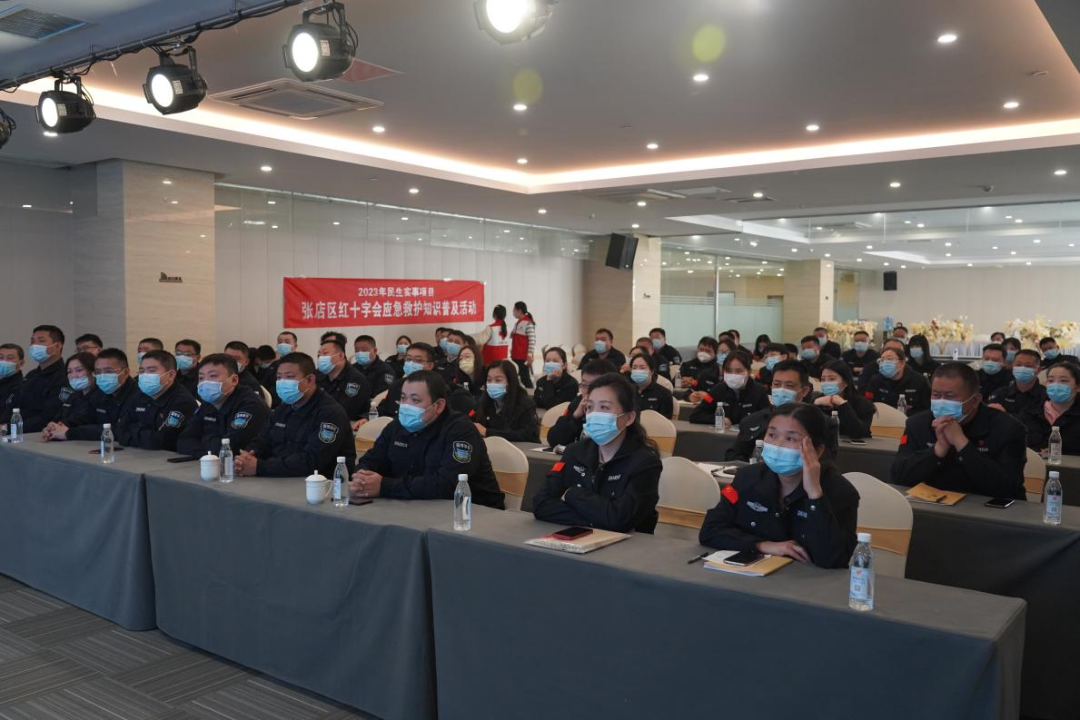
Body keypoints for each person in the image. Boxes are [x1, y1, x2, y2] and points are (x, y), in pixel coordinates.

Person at [699, 403, 860, 568]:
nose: (778, 445)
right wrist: (762, 545)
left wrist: (815, 495)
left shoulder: (841, 492)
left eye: (791, 438)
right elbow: (710, 530)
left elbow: (834, 559)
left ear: (817, 450)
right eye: (772, 435)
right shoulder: (745, 478)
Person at [351, 369, 505, 508]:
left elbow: (446, 485)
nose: (406, 406)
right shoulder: (397, 425)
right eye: (403, 398)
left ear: (439, 406)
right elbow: (371, 460)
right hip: (413, 507)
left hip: (471, 513)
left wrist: (384, 486)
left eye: (415, 400)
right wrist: (362, 478)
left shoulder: (461, 431)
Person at [532, 372, 662, 533]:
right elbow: (541, 503)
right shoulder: (575, 451)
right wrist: (597, 519)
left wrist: (572, 494)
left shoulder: (645, 463)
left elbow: (619, 520)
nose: (594, 414)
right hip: (576, 539)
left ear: (628, 418)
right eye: (590, 407)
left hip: (627, 546)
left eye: (604, 407)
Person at [892, 362, 1026, 499]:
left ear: (975, 400)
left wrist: (961, 443)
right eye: (936, 395)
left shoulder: (1008, 428)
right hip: (935, 505)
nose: (942, 402)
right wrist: (938, 450)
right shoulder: (917, 424)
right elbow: (899, 477)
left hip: (986, 508)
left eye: (950, 396)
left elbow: (1006, 488)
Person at [232, 352, 355, 477]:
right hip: (279, 477)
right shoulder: (283, 409)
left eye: (289, 377)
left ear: (310, 380)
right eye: (279, 377)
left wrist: (260, 467)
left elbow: (311, 461)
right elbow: (262, 440)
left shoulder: (330, 413)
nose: (282, 382)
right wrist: (247, 456)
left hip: (320, 482)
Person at [176, 353, 270, 457]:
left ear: (234, 380)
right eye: (201, 377)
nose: (205, 382)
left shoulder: (251, 405)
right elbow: (183, 441)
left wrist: (204, 439)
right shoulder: (209, 401)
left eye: (213, 376)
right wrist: (211, 449)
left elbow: (230, 449)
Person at [42, 348, 137, 441]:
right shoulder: (101, 394)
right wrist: (58, 426)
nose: (102, 376)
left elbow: (120, 429)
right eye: (98, 372)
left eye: (108, 371)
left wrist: (69, 433)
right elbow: (85, 417)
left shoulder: (137, 395)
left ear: (126, 372)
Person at [727, 360, 814, 461]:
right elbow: (733, 455)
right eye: (777, 384)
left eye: (789, 386)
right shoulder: (753, 420)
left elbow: (824, 462)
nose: (781, 389)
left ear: (804, 391)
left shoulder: (817, 423)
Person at [115, 350, 198, 451]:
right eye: (142, 371)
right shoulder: (140, 394)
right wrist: (145, 433)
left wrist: (133, 429)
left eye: (151, 370)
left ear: (171, 375)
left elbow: (161, 441)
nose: (145, 375)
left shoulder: (182, 401)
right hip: (139, 454)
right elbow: (119, 430)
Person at [1, 325, 67, 433]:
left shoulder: (63, 376)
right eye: (32, 341)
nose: (34, 345)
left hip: (35, 436)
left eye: (41, 341)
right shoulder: (31, 375)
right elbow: (13, 406)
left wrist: (7, 428)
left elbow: (49, 417)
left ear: (57, 346)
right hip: (13, 433)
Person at [547, 359, 617, 447]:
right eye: (584, 385)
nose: (587, 391)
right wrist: (575, 417)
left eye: (594, 386)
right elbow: (554, 440)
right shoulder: (579, 402)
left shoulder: (618, 406)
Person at [689, 351, 769, 427]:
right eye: (728, 371)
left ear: (748, 372)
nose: (733, 375)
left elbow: (767, 418)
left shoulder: (759, 391)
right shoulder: (717, 390)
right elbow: (696, 415)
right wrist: (720, 419)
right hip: (723, 435)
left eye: (738, 371)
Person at [1018, 362, 1080, 454]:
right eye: (1051, 381)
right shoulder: (1029, 412)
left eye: (1063, 381)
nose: (1056, 385)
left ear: (1077, 387)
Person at [475, 360, 540, 442]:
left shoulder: (524, 404)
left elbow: (527, 434)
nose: (492, 384)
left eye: (498, 380)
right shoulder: (485, 401)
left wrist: (487, 432)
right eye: (489, 380)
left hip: (522, 448)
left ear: (510, 381)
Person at [316, 338, 372, 427]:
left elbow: (346, 411)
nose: (321, 358)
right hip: (321, 421)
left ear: (341, 356)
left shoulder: (355, 379)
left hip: (348, 425)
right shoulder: (319, 374)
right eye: (319, 355)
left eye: (325, 353)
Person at [814, 360, 875, 439]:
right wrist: (815, 405)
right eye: (823, 379)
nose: (826, 383)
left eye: (832, 379)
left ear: (845, 383)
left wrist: (843, 405)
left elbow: (858, 433)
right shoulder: (817, 400)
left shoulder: (863, 404)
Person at [864, 345, 930, 414]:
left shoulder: (919, 381)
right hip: (883, 418)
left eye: (889, 359)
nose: (885, 363)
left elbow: (927, 409)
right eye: (882, 360)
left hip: (911, 419)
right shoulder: (875, 381)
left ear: (902, 363)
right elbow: (869, 404)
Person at [378, 342, 437, 417]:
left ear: (430, 365)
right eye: (408, 359)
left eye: (418, 360)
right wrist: (366, 417)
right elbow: (383, 409)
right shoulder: (397, 385)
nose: (411, 363)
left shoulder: (437, 388)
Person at [988, 349, 1046, 417]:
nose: (1022, 368)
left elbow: (1036, 421)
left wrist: (1005, 416)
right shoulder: (1001, 393)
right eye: (1018, 365)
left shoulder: (1045, 396)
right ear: (1013, 367)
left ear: (1038, 370)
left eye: (1028, 366)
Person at [627, 352, 674, 418]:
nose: (637, 371)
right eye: (634, 368)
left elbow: (665, 421)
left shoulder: (664, 394)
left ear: (652, 371)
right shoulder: (627, 392)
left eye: (642, 368)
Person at [56, 352, 96, 427]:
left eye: (79, 370)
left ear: (94, 372)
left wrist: (63, 426)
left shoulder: (102, 398)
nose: (73, 376)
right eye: (69, 372)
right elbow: (58, 418)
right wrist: (52, 426)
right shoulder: (72, 397)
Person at [508, 301, 537, 389]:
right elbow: (512, 336)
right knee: (515, 378)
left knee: (525, 378)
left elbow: (532, 340)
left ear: (519, 311)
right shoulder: (518, 323)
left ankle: (532, 394)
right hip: (516, 355)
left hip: (523, 356)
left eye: (514, 310)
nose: (513, 312)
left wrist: (529, 355)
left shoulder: (528, 323)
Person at [0, 343, 24, 422]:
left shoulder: (21, 388)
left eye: (10, 358)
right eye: (1, 357)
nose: (4, 361)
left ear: (21, 363)